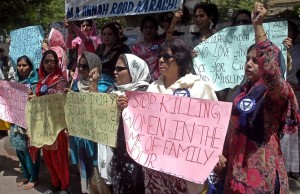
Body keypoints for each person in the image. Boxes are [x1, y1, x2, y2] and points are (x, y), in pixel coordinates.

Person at [222, 3, 299, 193]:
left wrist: (257, 26)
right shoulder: (241, 92)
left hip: (261, 173)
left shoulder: (277, 92)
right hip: (236, 169)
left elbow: (271, 74)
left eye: (256, 61)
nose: (248, 64)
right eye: (247, 59)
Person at [143, 37, 220, 193]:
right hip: (157, 167)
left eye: (166, 56)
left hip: (187, 167)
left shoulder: (200, 87)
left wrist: (216, 152)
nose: (161, 60)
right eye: (160, 56)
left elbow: (214, 125)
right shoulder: (152, 89)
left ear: (181, 59)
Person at [67, 51, 113, 194]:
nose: (81, 69)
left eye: (85, 66)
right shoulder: (76, 84)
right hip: (82, 137)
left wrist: (94, 82)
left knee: (98, 175)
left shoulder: (105, 83)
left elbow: (97, 106)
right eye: (79, 66)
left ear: (94, 66)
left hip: (97, 138)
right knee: (85, 174)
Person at [107, 54, 151, 194]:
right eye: (115, 69)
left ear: (133, 70)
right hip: (116, 153)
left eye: (120, 69)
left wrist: (127, 109)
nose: (115, 72)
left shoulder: (148, 93)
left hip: (139, 158)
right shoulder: (112, 90)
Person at [34, 50, 70, 194]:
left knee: (59, 157)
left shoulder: (60, 80)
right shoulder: (41, 81)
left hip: (57, 126)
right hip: (43, 125)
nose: (50, 64)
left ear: (57, 63)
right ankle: (54, 183)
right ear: (42, 63)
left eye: (52, 61)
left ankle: (65, 186)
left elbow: (61, 102)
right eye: (47, 61)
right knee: (48, 156)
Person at [10, 55, 40, 190]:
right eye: (19, 65)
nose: (21, 68)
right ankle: (26, 174)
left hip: (29, 122)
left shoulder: (35, 84)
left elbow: (39, 103)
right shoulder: (15, 83)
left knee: (31, 150)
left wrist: (31, 97)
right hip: (16, 121)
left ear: (31, 67)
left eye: (24, 65)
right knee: (19, 149)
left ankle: (34, 178)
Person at [282, 20, 300, 179]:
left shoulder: (299, 51)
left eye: (289, 30)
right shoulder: (275, 48)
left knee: (293, 131)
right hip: (278, 95)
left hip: (295, 96)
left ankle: (293, 168)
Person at [132, 16, 164, 81]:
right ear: (142, 30)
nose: (148, 30)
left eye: (151, 27)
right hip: (141, 80)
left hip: (158, 80)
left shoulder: (161, 44)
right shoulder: (136, 47)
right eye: (146, 27)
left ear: (156, 29)